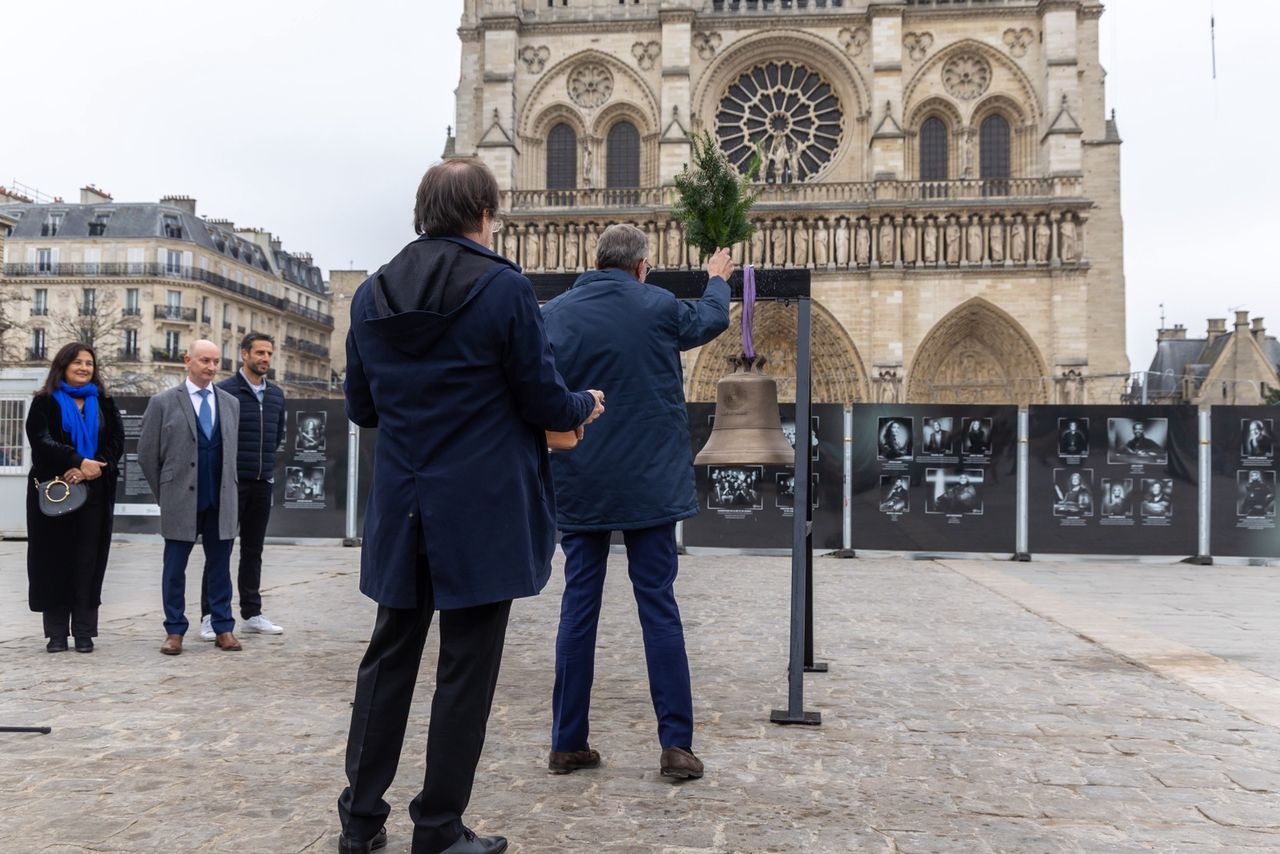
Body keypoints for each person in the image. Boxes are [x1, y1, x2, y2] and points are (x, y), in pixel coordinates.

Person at [336, 158, 603, 854]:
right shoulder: (505, 287)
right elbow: (543, 398)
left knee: (388, 660)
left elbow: (363, 407)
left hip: (402, 507)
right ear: (484, 213)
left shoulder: (370, 294)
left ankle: (360, 823)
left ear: (423, 210)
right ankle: (438, 827)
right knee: (464, 671)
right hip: (481, 511)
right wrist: (586, 405)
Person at [541, 223, 731, 781]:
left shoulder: (556, 313)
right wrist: (716, 280)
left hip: (581, 479)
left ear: (596, 262)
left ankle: (566, 741)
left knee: (578, 609)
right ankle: (676, 744)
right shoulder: (658, 305)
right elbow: (712, 319)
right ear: (642, 266)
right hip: (649, 485)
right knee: (659, 609)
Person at [137, 339, 242, 655]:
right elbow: (146, 454)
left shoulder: (230, 403)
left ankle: (223, 627)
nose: (211, 367)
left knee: (221, 568)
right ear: (188, 361)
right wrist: (165, 492)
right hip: (180, 499)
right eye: (204, 361)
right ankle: (174, 631)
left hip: (220, 499)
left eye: (215, 361)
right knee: (174, 567)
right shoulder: (163, 402)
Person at [25, 342, 124, 653]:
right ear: (63, 366)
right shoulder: (44, 402)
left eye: (89, 364)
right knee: (54, 561)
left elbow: (116, 443)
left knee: (87, 562)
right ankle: (56, 634)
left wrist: (88, 469)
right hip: (54, 494)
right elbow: (40, 440)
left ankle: (84, 631)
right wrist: (75, 461)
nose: (84, 368)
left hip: (94, 494)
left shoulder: (105, 403)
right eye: (78, 363)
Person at [200, 332, 287, 642]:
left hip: (262, 482)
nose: (265, 358)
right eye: (259, 352)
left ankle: (251, 613)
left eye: (269, 353)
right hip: (230, 483)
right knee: (219, 549)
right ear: (244, 354)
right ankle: (210, 615)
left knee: (254, 551)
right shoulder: (223, 391)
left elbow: (277, 436)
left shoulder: (276, 395)